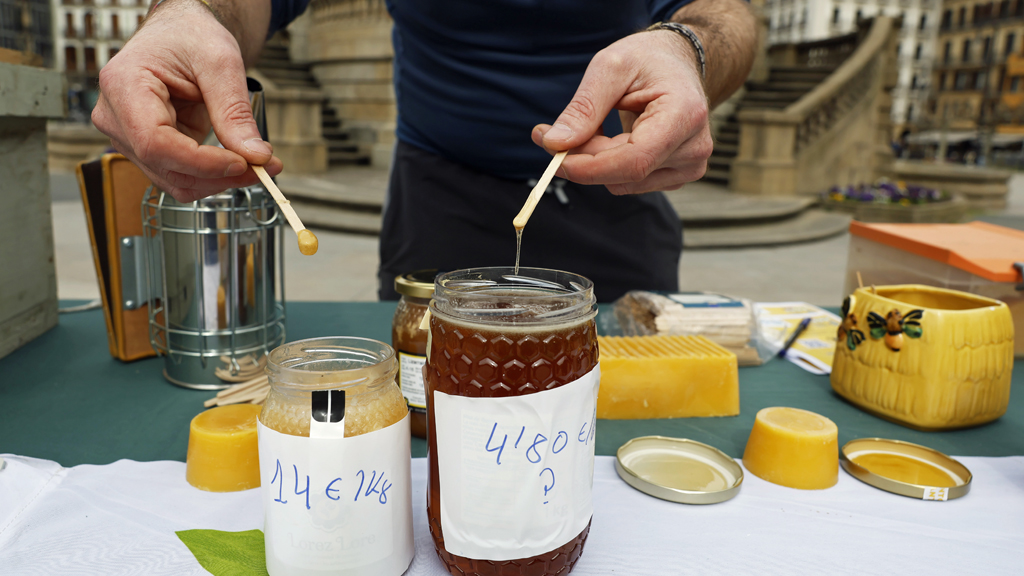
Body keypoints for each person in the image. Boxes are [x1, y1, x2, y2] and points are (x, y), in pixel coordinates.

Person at [92, 0, 757, 302]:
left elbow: (727, 14)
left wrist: (688, 51)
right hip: (439, 192)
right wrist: (188, 12)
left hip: (618, 192)